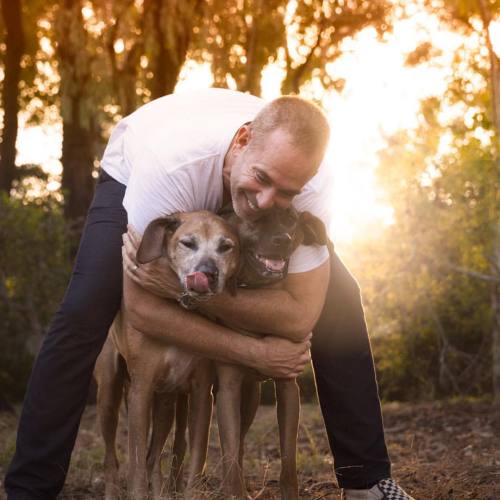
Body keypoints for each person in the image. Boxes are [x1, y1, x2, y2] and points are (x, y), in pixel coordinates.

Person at [5, 89, 413, 500]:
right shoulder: (169, 171)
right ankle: (29, 488)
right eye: (263, 178)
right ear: (241, 143)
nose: (267, 201)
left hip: (222, 164)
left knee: (341, 302)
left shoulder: (311, 185)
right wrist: (252, 353)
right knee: (86, 306)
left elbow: (301, 314)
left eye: (286, 193)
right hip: (139, 162)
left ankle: (367, 481)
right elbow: (144, 310)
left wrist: (206, 295)